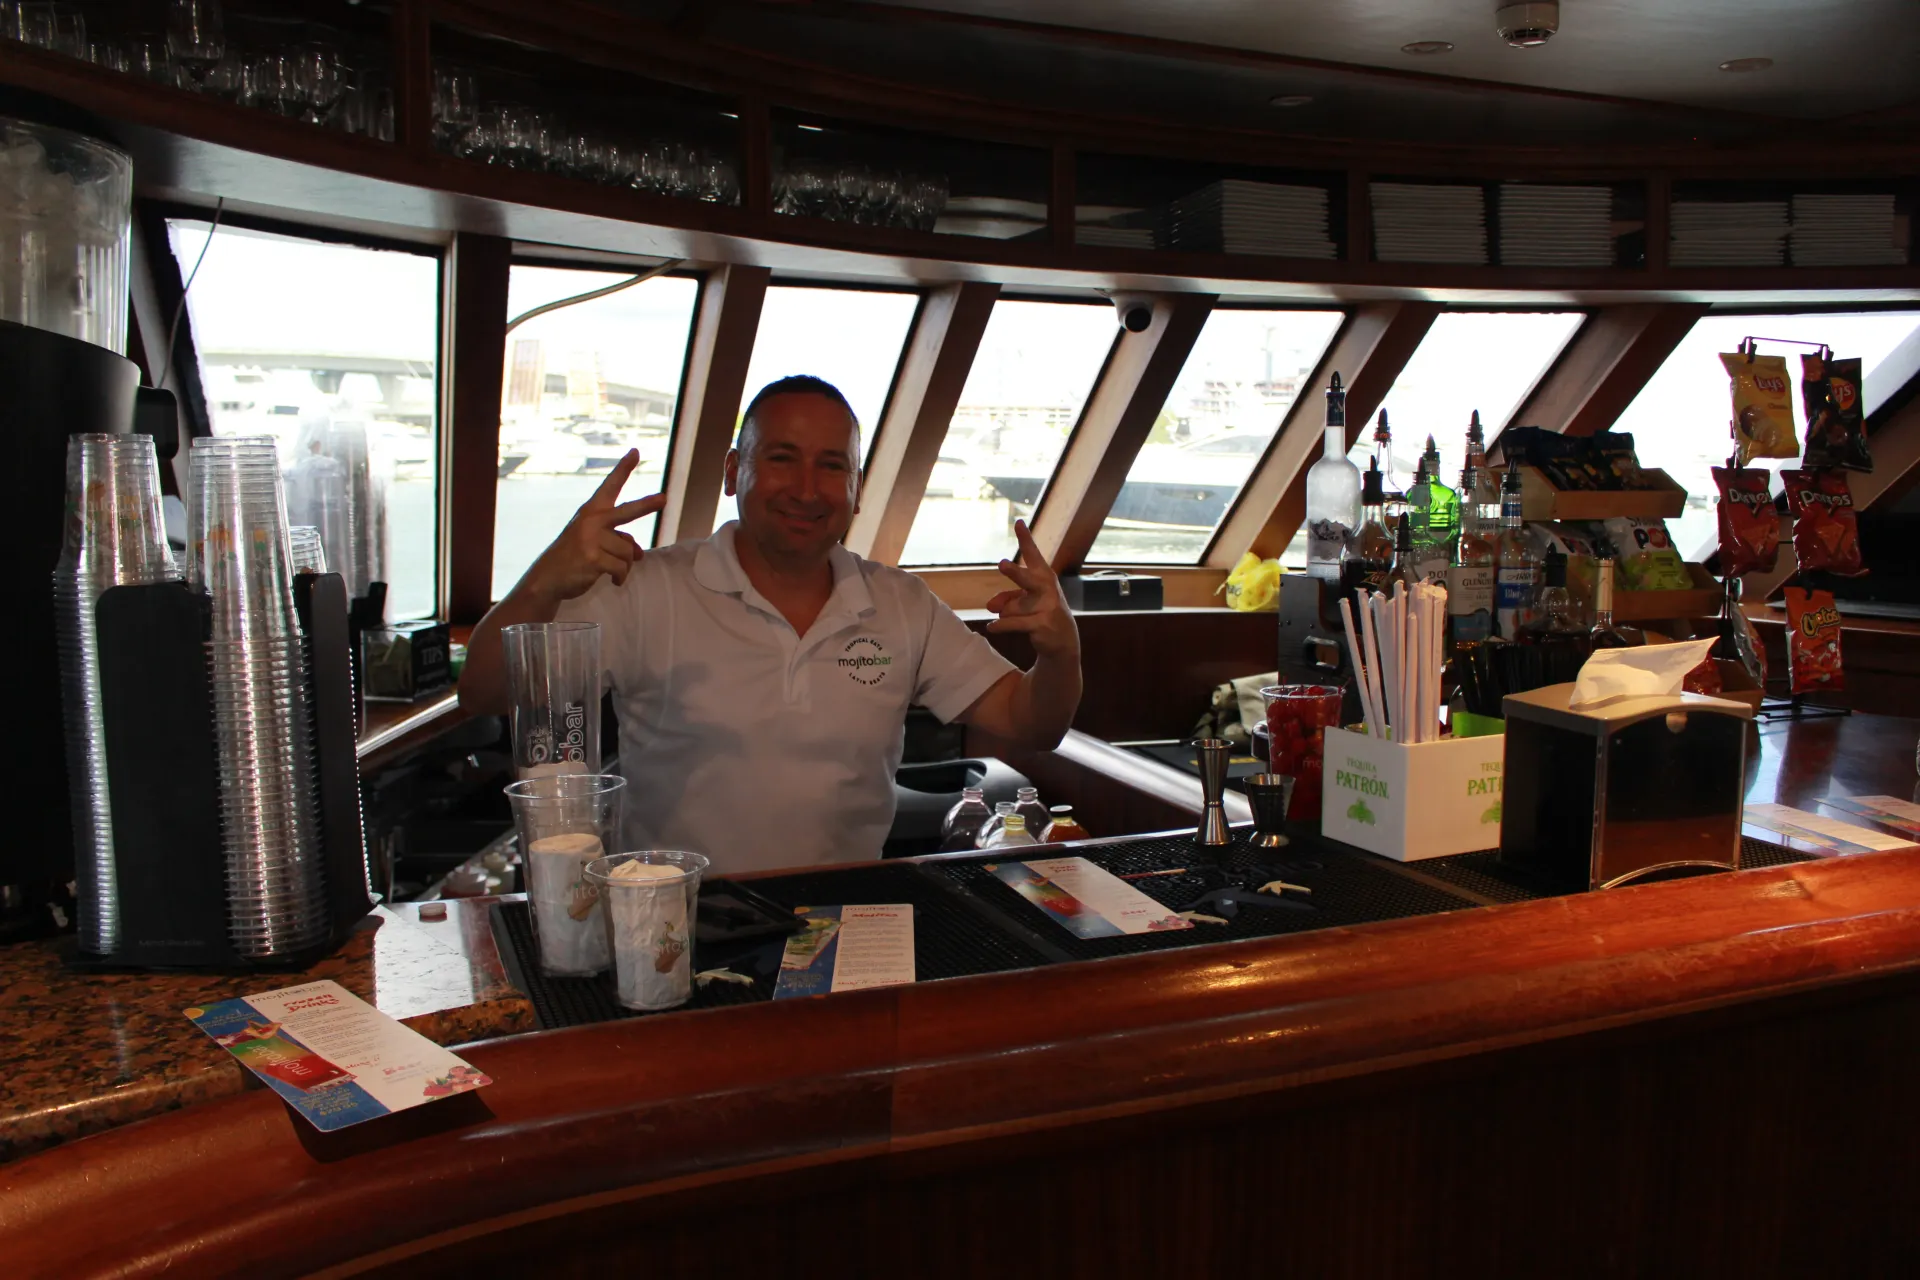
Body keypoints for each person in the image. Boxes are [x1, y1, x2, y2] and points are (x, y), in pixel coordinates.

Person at [461, 375, 1082, 873]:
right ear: (734, 472)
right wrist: (544, 580)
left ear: (858, 490)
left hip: (847, 920)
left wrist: (1060, 655)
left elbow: (1033, 723)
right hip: (674, 924)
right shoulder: (645, 590)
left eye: (832, 466)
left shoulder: (902, 605)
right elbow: (485, 693)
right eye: (782, 459)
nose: (807, 489)